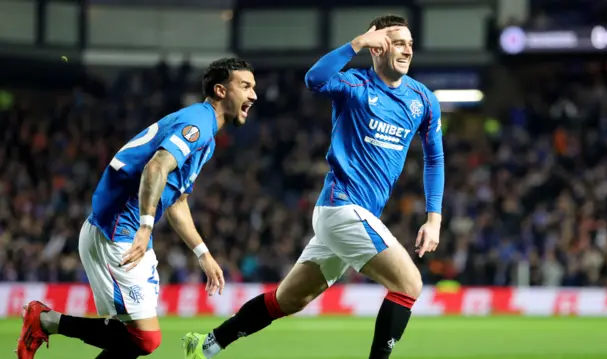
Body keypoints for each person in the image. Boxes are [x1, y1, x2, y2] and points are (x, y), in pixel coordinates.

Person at [183, 14, 444, 359]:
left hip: (350, 216)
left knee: (288, 299)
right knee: (409, 284)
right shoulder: (355, 85)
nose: (408, 50)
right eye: (398, 42)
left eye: (410, 43)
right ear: (378, 47)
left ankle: (208, 344)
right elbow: (314, 78)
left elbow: (434, 158)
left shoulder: (422, 100)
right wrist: (356, 43)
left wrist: (434, 217)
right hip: (342, 207)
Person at [16, 58, 258, 359]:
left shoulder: (205, 134)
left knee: (131, 341)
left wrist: (203, 254)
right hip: (117, 230)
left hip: (126, 231)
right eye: (245, 86)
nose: (253, 95)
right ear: (221, 91)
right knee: (144, 339)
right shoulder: (198, 124)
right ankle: (43, 321)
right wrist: (145, 226)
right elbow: (155, 168)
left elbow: (176, 201)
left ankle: (45, 321)